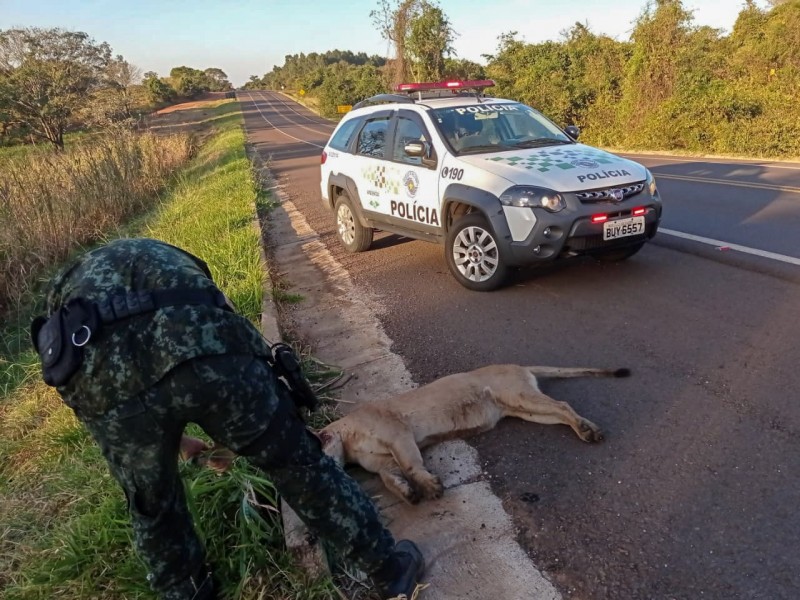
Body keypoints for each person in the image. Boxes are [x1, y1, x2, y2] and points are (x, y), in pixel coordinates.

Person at [31, 238, 424, 600]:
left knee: (152, 503)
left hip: (105, 385)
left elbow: (70, 373)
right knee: (297, 463)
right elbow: (226, 319)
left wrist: (166, 443)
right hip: (206, 348)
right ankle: (388, 570)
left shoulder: (62, 298)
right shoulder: (174, 262)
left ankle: (190, 591)